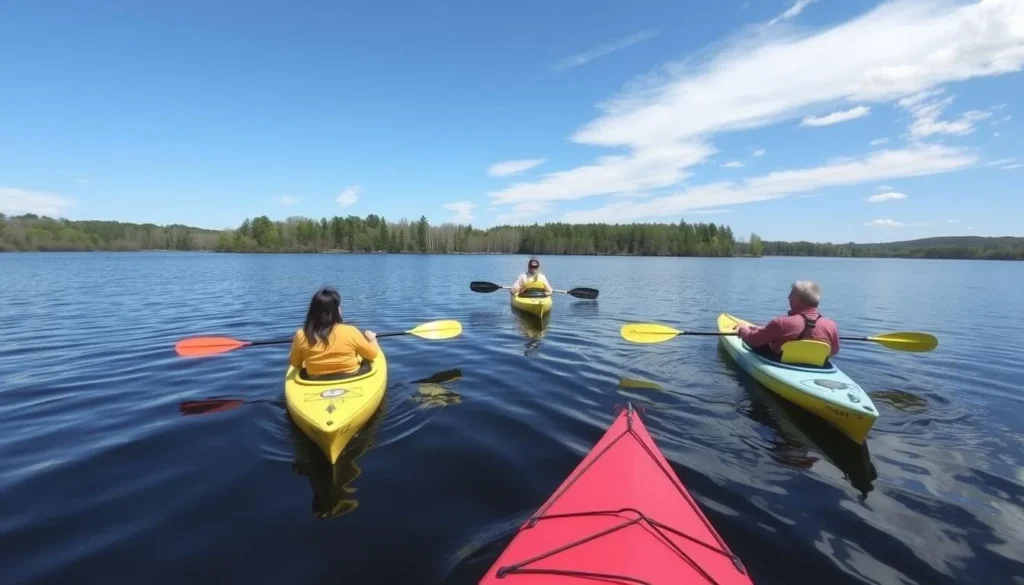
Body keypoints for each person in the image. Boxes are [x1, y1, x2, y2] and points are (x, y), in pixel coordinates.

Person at [289, 286, 379, 379]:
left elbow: (295, 363)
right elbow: (372, 355)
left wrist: (296, 344)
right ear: (337, 310)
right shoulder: (351, 331)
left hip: (316, 380)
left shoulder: (301, 334)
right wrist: (372, 339)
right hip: (350, 377)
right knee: (367, 362)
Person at [737, 280, 840, 360]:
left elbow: (753, 340)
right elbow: (834, 351)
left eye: (791, 295)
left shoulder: (781, 323)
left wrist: (743, 329)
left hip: (781, 364)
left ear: (796, 300)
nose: (788, 297)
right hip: (816, 366)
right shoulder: (831, 325)